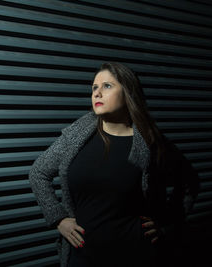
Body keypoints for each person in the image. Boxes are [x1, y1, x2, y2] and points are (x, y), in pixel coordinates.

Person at [28, 62, 201, 267]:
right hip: (82, 256)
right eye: (94, 88)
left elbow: (190, 182)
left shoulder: (149, 141)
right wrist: (59, 219)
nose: (97, 93)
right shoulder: (77, 135)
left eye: (107, 86)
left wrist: (168, 223)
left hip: (136, 255)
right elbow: (38, 172)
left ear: (128, 92)